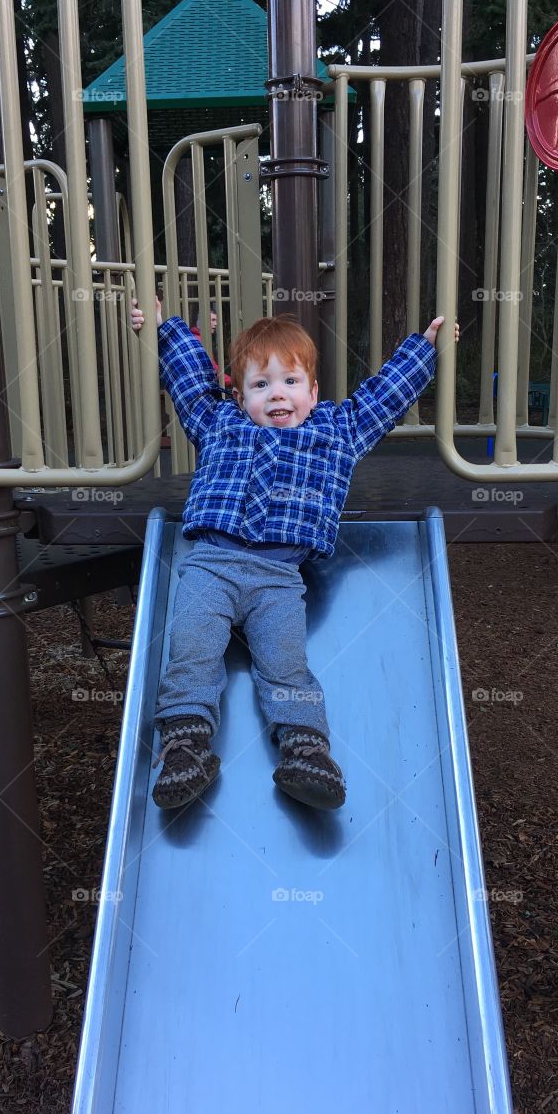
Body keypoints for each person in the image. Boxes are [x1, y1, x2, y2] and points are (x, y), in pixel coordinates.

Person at [130, 297, 458, 812]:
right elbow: (191, 384)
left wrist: (425, 350)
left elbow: (383, 399)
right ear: (240, 397)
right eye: (260, 385)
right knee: (191, 650)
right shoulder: (220, 425)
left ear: (313, 391)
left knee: (285, 665)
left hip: (279, 579)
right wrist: (164, 329)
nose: (276, 395)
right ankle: (183, 750)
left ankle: (307, 750)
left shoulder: (336, 433)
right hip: (209, 567)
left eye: (290, 381)